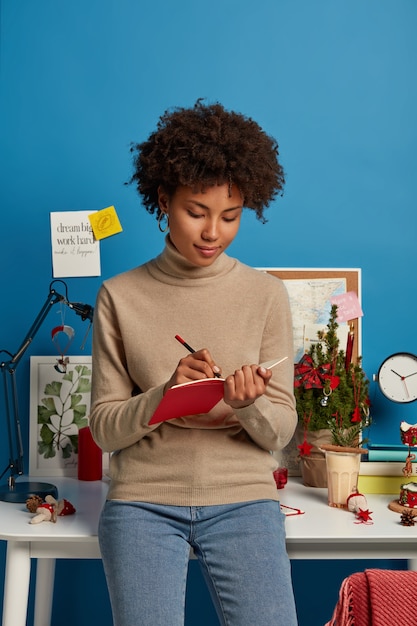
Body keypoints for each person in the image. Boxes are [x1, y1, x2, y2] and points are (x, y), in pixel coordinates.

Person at [90, 100, 298, 626]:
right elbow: (103, 431)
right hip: (143, 502)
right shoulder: (119, 296)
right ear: (163, 201)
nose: (213, 233)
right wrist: (164, 397)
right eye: (196, 212)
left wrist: (247, 405)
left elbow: (279, 432)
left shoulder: (266, 295)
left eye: (230, 217)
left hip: (244, 500)